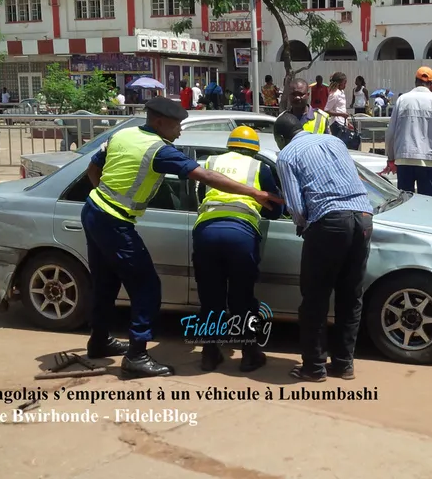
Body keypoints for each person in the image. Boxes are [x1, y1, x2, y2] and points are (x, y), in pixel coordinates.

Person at [82, 97, 282, 377]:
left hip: (93, 210)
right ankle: (137, 355)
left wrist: (106, 198)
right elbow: (205, 177)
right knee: (147, 287)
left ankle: (99, 340)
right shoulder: (160, 151)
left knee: (105, 281)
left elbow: (93, 169)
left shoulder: (122, 134)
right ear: (160, 122)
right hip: (116, 222)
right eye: (177, 124)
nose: (180, 130)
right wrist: (256, 193)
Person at [273, 112, 373, 382]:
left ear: (280, 138)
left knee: (315, 299)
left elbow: (294, 205)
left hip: (329, 222)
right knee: (350, 296)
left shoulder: (287, 154)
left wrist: (303, 223)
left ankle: (314, 367)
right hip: (363, 217)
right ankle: (343, 364)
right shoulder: (333, 141)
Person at [193, 126, 284, 373]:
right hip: (240, 234)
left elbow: (199, 196)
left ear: (230, 146)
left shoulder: (210, 161)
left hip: (206, 232)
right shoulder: (259, 168)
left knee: (210, 298)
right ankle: (249, 354)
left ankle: (209, 354)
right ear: (254, 150)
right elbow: (275, 210)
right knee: (242, 298)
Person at [381, 66, 432, 197]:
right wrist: (431, 143)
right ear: (431, 83)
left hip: (404, 159)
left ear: (415, 81)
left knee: (405, 202)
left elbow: (391, 132)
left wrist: (391, 157)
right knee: (429, 202)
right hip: (428, 160)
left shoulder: (402, 100)